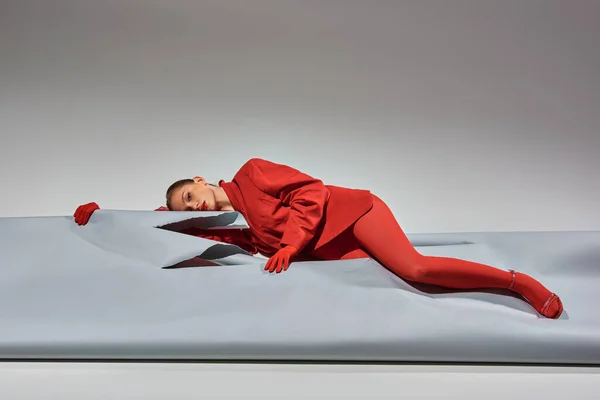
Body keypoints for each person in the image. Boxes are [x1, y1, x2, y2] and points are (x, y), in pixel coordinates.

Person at [74, 157, 563, 319]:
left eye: (189, 195)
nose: (190, 206)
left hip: (353, 213)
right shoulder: (235, 229)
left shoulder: (253, 172)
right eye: (183, 206)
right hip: (332, 251)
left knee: (416, 271)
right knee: (395, 291)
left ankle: (517, 283)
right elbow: (160, 224)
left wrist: (289, 245)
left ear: (201, 181)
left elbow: (311, 190)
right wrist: (104, 217)